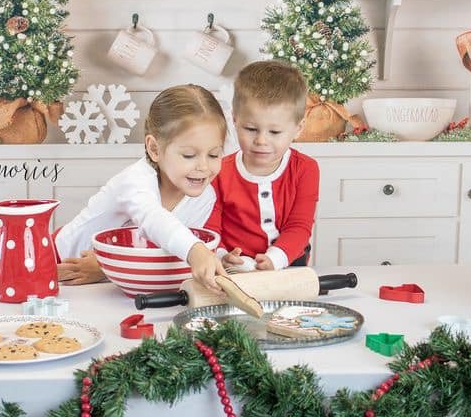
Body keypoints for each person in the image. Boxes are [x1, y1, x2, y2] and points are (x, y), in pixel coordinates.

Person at [56, 84, 227, 291]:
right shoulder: (135, 181)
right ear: (154, 149)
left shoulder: (204, 197)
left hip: (109, 280)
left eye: (214, 154)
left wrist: (218, 256)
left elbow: (166, 248)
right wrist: (195, 250)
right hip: (57, 259)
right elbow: (153, 220)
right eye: (189, 155)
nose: (203, 167)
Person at [207, 60, 319, 270]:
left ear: (298, 128)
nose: (261, 141)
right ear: (235, 120)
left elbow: (299, 225)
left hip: (289, 261)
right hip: (236, 266)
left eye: (275, 132)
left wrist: (275, 259)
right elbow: (211, 225)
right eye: (250, 129)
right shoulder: (218, 171)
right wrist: (221, 254)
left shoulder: (306, 169)